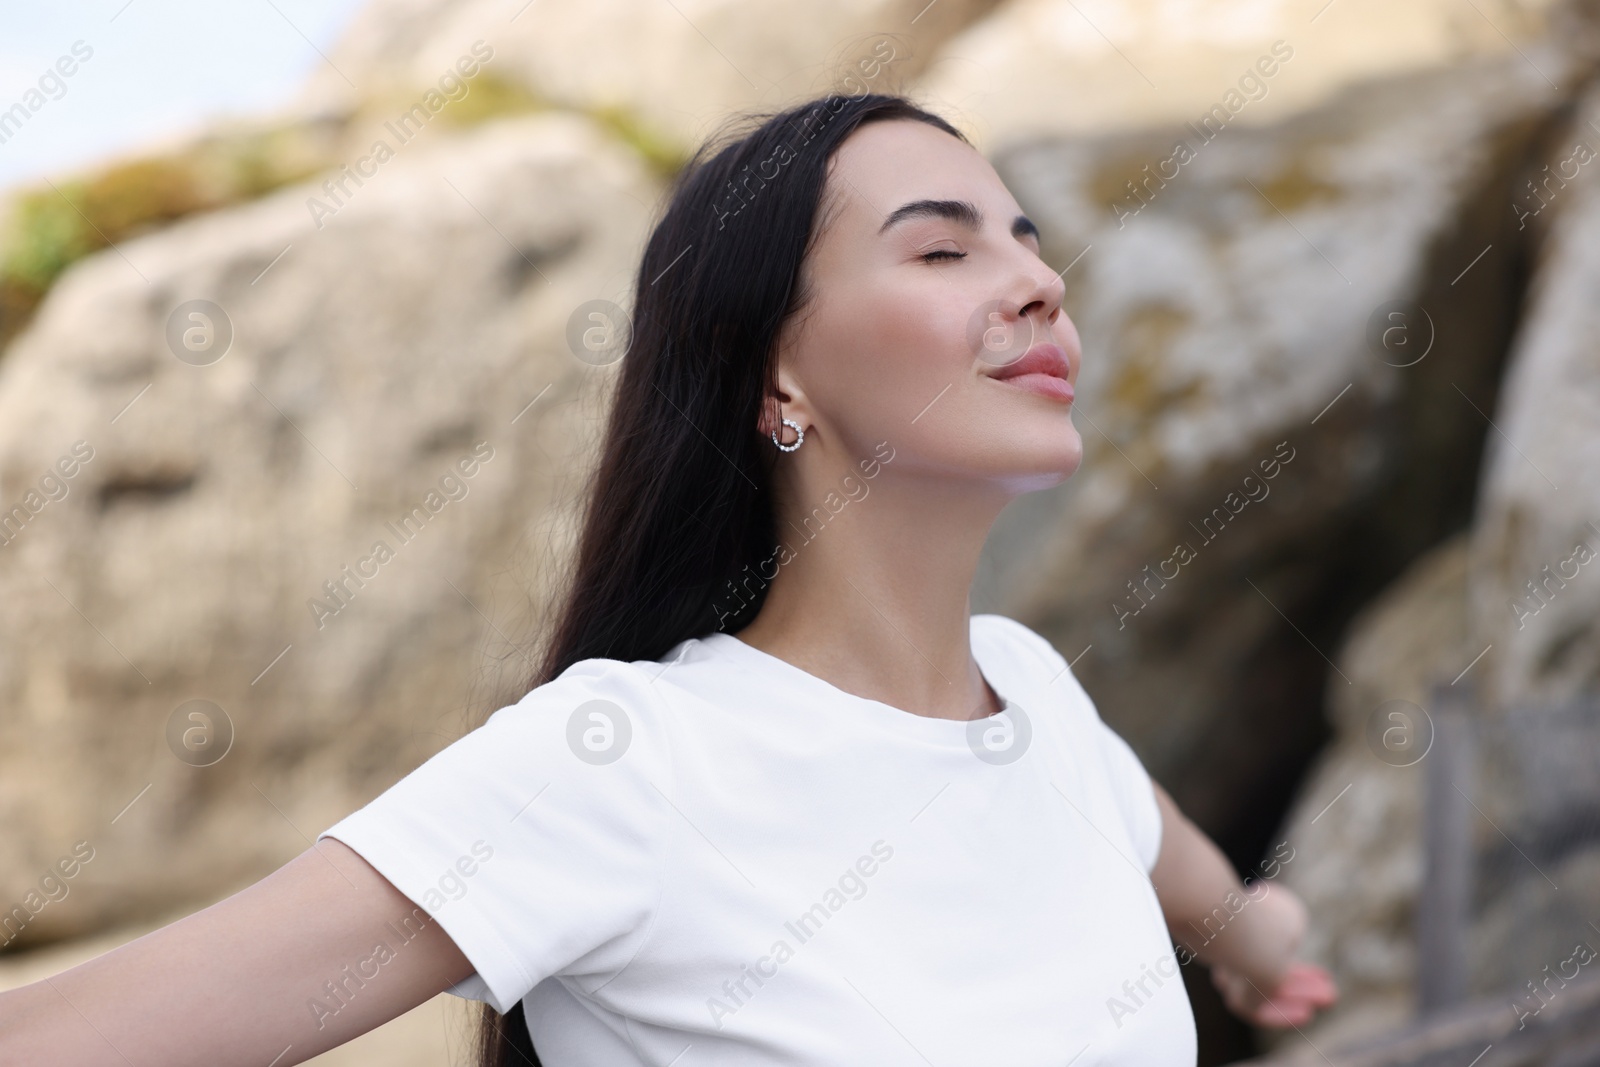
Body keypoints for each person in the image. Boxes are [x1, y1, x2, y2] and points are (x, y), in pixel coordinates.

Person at [0, 92, 1336, 1066]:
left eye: (1027, 240)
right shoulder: (624, 764)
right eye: (944, 249)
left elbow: (1201, 888)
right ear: (779, 375)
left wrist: (1268, 956)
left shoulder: (1036, 698)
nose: (1040, 281)